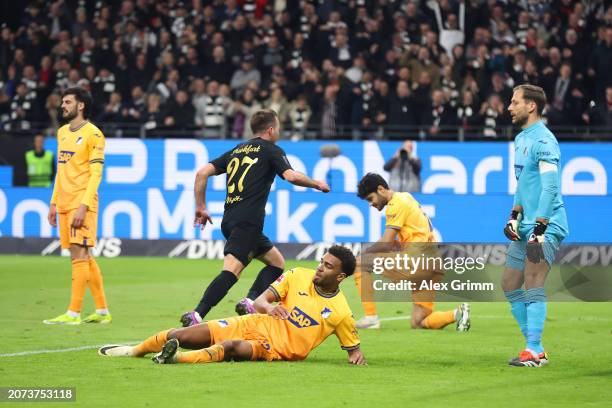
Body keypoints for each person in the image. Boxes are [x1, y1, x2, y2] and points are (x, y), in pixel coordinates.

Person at [180, 109, 330, 327]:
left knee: (277, 263)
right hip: (247, 221)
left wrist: (201, 207)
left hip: (230, 220)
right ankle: (197, 314)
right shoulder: (271, 150)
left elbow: (202, 173)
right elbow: (291, 176)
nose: (278, 132)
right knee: (232, 270)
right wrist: (317, 183)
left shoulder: (237, 150)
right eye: (277, 128)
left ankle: (250, 301)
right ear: (270, 130)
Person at [99, 246, 366, 365]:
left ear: (340, 277)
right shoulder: (298, 274)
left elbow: (353, 349)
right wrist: (269, 308)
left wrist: (355, 356)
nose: (320, 267)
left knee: (230, 348)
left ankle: (175, 358)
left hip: (273, 349)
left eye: (328, 266)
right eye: (321, 261)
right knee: (182, 335)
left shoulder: (341, 313)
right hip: (253, 323)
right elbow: (261, 300)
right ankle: (134, 351)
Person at [502, 84, 568, 367]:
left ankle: (535, 351)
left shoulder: (544, 141)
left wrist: (540, 226)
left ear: (531, 106)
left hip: (547, 223)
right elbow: (522, 183)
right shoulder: (521, 139)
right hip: (527, 223)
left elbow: (550, 187)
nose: (509, 107)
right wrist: (514, 215)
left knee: (533, 280)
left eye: (514, 102)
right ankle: (533, 345)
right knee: (509, 283)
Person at [353, 173, 470, 331]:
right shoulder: (406, 197)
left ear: (380, 189)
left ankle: (371, 317)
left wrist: (364, 253)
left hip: (417, 262)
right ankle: (456, 314)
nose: (370, 204)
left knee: (360, 263)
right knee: (419, 321)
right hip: (434, 264)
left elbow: (386, 242)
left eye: (370, 198)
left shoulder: (395, 204)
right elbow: (397, 240)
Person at [43, 87, 111, 325]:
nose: (63, 105)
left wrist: (83, 206)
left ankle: (73, 313)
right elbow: (61, 172)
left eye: (67, 101)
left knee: (79, 255)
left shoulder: (94, 134)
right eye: (63, 101)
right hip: (63, 201)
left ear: (80, 105)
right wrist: (53, 203)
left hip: (82, 202)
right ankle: (102, 311)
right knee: (83, 254)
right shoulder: (62, 133)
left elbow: (96, 174)